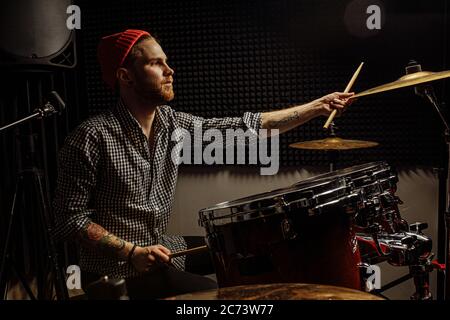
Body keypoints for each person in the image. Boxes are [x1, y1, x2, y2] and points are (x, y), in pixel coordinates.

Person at [53, 29, 354, 299]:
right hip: (119, 269)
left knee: (246, 250)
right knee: (218, 299)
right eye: (155, 63)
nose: (169, 70)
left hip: (159, 246)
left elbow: (244, 129)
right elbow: (69, 219)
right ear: (125, 76)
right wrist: (130, 251)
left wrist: (317, 107)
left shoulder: (171, 124)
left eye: (167, 61)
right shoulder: (91, 136)